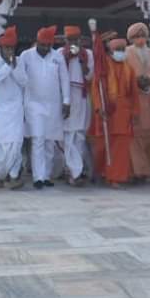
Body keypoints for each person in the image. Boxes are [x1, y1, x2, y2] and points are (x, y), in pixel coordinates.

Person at [19, 25, 70, 189]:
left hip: (54, 104)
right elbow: (19, 78)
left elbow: (65, 79)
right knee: (38, 139)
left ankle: (46, 175)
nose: (46, 48)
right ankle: (38, 177)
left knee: (49, 141)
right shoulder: (26, 56)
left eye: (49, 45)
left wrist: (67, 101)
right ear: (37, 42)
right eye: (43, 45)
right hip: (33, 104)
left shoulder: (58, 57)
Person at [90, 34, 138, 188]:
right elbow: (96, 90)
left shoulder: (129, 69)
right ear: (110, 52)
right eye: (118, 49)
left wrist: (135, 112)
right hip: (107, 112)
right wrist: (99, 108)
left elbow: (134, 94)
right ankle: (103, 172)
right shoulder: (103, 69)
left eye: (123, 49)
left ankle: (116, 177)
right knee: (104, 145)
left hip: (124, 113)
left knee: (121, 147)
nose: (121, 52)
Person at [0, 26, 28, 189]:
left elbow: (24, 81)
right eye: (7, 48)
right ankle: (0, 176)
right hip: (1, 110)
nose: (10, 51)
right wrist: (8, 65)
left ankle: (14, 176)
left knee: (16, 143)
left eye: (12, 48)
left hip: (16, 109)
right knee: (1, 145)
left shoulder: (19, 61)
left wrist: (14, 66)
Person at [124, 22, 150, 182]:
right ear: (131, 38)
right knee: (134, 137)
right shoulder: (126, 53)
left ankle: (145, 170)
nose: (140, 39)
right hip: (134, 101)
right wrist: (136, 83)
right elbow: (123, 78)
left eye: (143, 36)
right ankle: (136, 172)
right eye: (136, 36)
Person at [61, 24, 93, 186]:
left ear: (80, 40)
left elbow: (90, 76)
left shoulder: (88, 54)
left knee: (80, 135)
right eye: (70, 40)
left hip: (82, 96)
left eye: (75, 39)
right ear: (65, 40)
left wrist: (81, 61)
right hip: (67, 98)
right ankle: (75, 172)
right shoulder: (60, 54)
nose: (73, 42)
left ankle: (75, 170)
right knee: (68, 135)